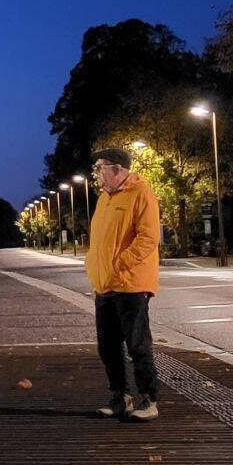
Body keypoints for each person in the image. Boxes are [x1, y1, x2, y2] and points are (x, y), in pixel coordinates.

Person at [84, 147, 160, 421]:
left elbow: (149, 237)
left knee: (137, 344)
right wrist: (93, 265)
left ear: (118, 169)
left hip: (130, 284)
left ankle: (149, 400)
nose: (97, 174)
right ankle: (120, 398)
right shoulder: (104, 199)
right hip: (104, 284)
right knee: (108, 346)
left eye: (100, 168)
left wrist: (121, 263)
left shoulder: (140, 193)